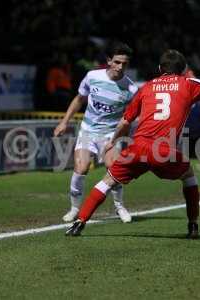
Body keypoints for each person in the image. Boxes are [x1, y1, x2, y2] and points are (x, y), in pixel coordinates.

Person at [65, 43, 200, 239]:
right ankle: (193, 226)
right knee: (189, 176)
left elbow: (124, 122)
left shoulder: (146, 87)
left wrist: (113, 141)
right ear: (183, 70)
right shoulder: (187, 84)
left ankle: (80, 221)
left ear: (159, 69)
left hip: (137, 147)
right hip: (163, 151)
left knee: (107, 181)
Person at [54, 42, 137, 223]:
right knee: (81, 168)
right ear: (109, 61)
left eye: (124, 63)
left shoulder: (131, 89)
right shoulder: (92, 76)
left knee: (114, 169)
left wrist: (121, 138)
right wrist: (64, 122)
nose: (120, 67)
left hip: (110, 135)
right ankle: (74, 208)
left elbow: (129, 118)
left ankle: (119, 206)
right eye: (117, 62)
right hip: (88, 131)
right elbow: (79, 99)